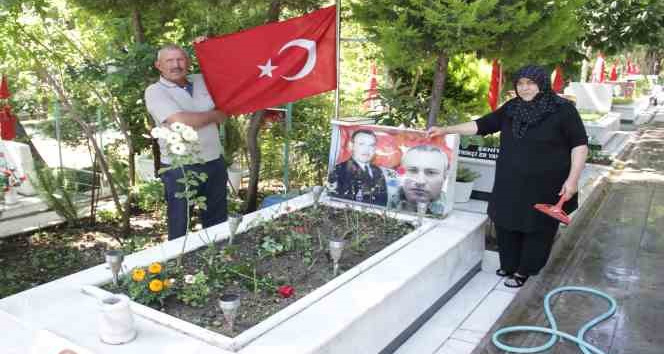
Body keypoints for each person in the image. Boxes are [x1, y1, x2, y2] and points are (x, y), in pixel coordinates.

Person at [428, 65, 588, 288]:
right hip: (510, 179)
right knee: (505, 220)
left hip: (547, 182)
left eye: (530, 83)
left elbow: (579, 145)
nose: (525, 88)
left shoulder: (563, 110)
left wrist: (572, 179)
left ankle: (525, 270)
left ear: (542, 84)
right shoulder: (513, 108)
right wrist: (446, 129)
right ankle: (510, 265)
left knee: (536, 226)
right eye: (520, 83)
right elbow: (481, 125)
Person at [145, 44, 228, 240]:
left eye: (180, 59)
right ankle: (179, 264)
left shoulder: (201, 80)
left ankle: (218, 259)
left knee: (217, 219)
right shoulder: (155, 91)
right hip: (180, 167)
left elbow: (227, 72)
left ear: (188, 62)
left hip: (214, 161)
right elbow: (181, 122)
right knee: (180, 222)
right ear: (158, 65)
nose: (176, 65)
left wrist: (209, 47)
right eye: (169, 61)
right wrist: (216, 115)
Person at [329, 129, 388, 205]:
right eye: (361, 144)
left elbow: (383, 201)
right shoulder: (339, 170)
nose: (366, 149)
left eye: (371, 145)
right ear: (352, 146)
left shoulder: (378, 171)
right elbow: (333, 204)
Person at [397, 145, 449, 214]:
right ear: (400, 173)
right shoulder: (383, 199)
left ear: (444, 177)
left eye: (431, 172)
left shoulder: (449, 210)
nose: (420, 181)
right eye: (412, 171)